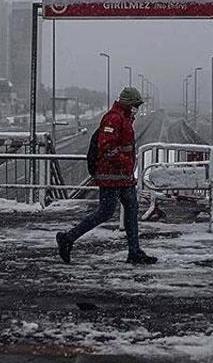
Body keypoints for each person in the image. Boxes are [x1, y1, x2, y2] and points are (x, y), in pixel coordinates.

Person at [56, 87, 157, 265]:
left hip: (123, 176)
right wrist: (124, 161)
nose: (137, 108)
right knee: (105, 212)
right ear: (128, 103)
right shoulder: (113, 118)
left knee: (131, 210)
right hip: (112, 176)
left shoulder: (125, 118)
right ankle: (68, 238)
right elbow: (107, 147)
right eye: (135, 105)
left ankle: (134, 252)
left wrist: (126, 166)